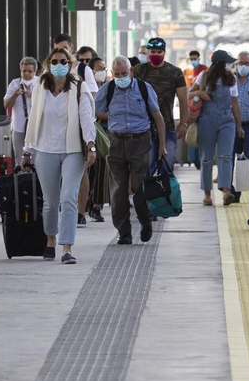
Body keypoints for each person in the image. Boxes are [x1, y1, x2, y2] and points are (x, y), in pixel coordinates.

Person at [23, 47, 96, 264]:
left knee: (68, 197)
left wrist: (90, 145)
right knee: (50, 201)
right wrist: (27, 151)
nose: (58, 64)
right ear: (48, 63)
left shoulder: (79, 87)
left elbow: (86, 117)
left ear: (70, 64)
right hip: (45, 149)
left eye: (63, 61)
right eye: (54, 61)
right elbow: (33, 120)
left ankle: (67, 247)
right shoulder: (40, 87)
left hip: (73, 149)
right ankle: (50, 239)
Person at [95, 56, 167, 245]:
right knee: (118, 191)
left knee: (139, 186)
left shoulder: (144, 88)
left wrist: (162, 145)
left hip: (140, 142)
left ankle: (145, 221)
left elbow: (157, 116)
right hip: (116, 142)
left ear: (131, 72)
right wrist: (113, 116)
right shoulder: (108, 89)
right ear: (112, 73)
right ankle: (124, 232)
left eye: (124, 74)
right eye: (117, 74)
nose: (120, 77)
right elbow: (94, 111)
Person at [189, 49, 244, 206]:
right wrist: (201, 92)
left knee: (226, 156)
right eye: (227, 62)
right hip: (207, 120)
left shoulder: (231, 78)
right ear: (220, 63)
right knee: (206, 158)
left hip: (227, 121)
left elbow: (234, 103)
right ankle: (207, 193)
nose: (230, 65)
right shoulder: (204, 76)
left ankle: (226, 190)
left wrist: (239, 125)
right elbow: (188, 94)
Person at [134, 36, 188, 168]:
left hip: (168, 126)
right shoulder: (138, 71)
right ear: (148, 53)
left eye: (159, 52)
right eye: (153, 52)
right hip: (144, 128)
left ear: (164, 52)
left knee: (167, 166)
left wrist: (183, 123)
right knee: (147, 166)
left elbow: (183, 99)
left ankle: (165, 189)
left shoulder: (175, 72)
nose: (156, 55)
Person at [73, 45, 103, 225]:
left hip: (83, 128)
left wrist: (90, 141)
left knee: (82, 170)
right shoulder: (49, 76)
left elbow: (91, 105)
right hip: (59, 131)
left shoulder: (84, 73)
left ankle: (81, 211)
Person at [3, 57, 38, 158]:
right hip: (19, 128)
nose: (27, 74)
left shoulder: (40, 83)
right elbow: (6, 105)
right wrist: (15, 94)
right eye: (24, 71)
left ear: (35, 71)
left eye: (30, 71)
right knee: (20, 158)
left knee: (37, 159)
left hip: (36, 128)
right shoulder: (14, 84)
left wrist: (34, 96)